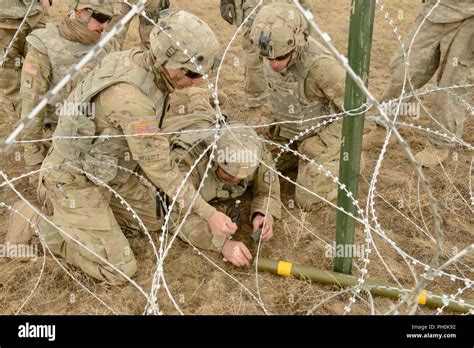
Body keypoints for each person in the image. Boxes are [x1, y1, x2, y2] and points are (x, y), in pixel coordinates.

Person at [7, 10, 226, 284]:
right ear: (168, 62)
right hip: (75, 178)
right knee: (120, 269)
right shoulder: (131, 100)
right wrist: (209, 213)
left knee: (155, 220)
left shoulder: (136, 62)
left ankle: (91, 219)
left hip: (111, 170)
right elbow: (159, 167)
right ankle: (38, 223)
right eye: (193, 74)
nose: (195, 82)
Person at [162, 87, 281, 267]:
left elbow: (268, 190)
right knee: (199, 116)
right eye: (228, 173)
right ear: (215, 160)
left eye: (242, 176)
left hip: (219, 126)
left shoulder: (255, 154)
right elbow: (173, 214)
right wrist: (221, 243)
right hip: (186, 127)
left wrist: (263, 214)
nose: (234, 180)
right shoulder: (190, 162)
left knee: (208, 116)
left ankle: (201, 97)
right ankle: (197, 94)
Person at [249, 2, 346, 210]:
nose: (274, 64)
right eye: (268, 58)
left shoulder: (321, 66)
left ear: (297, 42)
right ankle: (298, 159)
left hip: (323, 136)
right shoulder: (271, 52)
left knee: (307, 199)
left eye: (281, 57)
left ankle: (348, 162)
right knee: (252, 170)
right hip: (291, 135)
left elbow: (361, 112)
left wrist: (323, 141)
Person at [20, 0, 118, 185]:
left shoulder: (107, 45)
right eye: (101, 18)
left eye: (109, 19)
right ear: (80, 12)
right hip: (59, 136)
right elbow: (31, 104)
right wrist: (33, 157)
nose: (104, 26)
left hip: (98, 136)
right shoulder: (44, 44)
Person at [382, 0, 474, 167]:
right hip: (433, 11)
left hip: (469, 17)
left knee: (451, 84)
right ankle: (385, 127)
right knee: (404, 73)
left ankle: (439, 144)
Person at [219, 0, 313, 108]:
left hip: (287, 8)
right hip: (255, 6)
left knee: (291, 48)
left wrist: (305, 14)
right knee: (253, 49)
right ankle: (256, 101)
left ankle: (297, 97)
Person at [0, 0, 49, 122]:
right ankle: (20, 125)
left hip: (34, 16)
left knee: (37, 70)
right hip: (6, 20)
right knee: (10, 74)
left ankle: (29, 125)